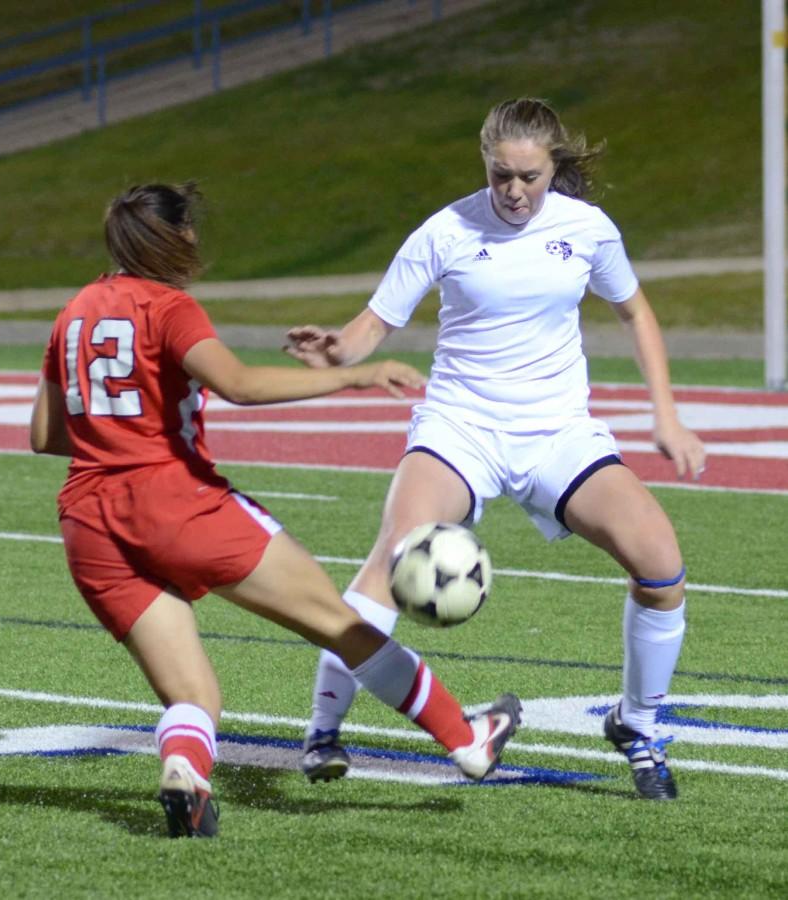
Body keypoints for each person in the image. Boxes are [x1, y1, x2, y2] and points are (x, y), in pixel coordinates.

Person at [29, 182, 522, 839]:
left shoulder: (75, 311)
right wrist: (355, 374)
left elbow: (44, 433)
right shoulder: (170, 308)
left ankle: (185, 773)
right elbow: (238, 384)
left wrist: (121, 430)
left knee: (194, 697)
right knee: (339, 624)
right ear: (177, 238)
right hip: (175, 504)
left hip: (89, 524)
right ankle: (465, 738)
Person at [286, 98, 707, 802]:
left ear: (554, 168)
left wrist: (667, 415)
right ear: (485, 163)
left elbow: (635, 310)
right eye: (500, 174)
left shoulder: (587, 230)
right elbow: (371, 326)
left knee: (661, 567)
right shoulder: (445, 231)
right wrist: (336, 350)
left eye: (529, 177)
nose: (514, 191)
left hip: (558, 433)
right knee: (398, 552)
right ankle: (323, 731)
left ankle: (636, 725)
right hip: (462, 427)